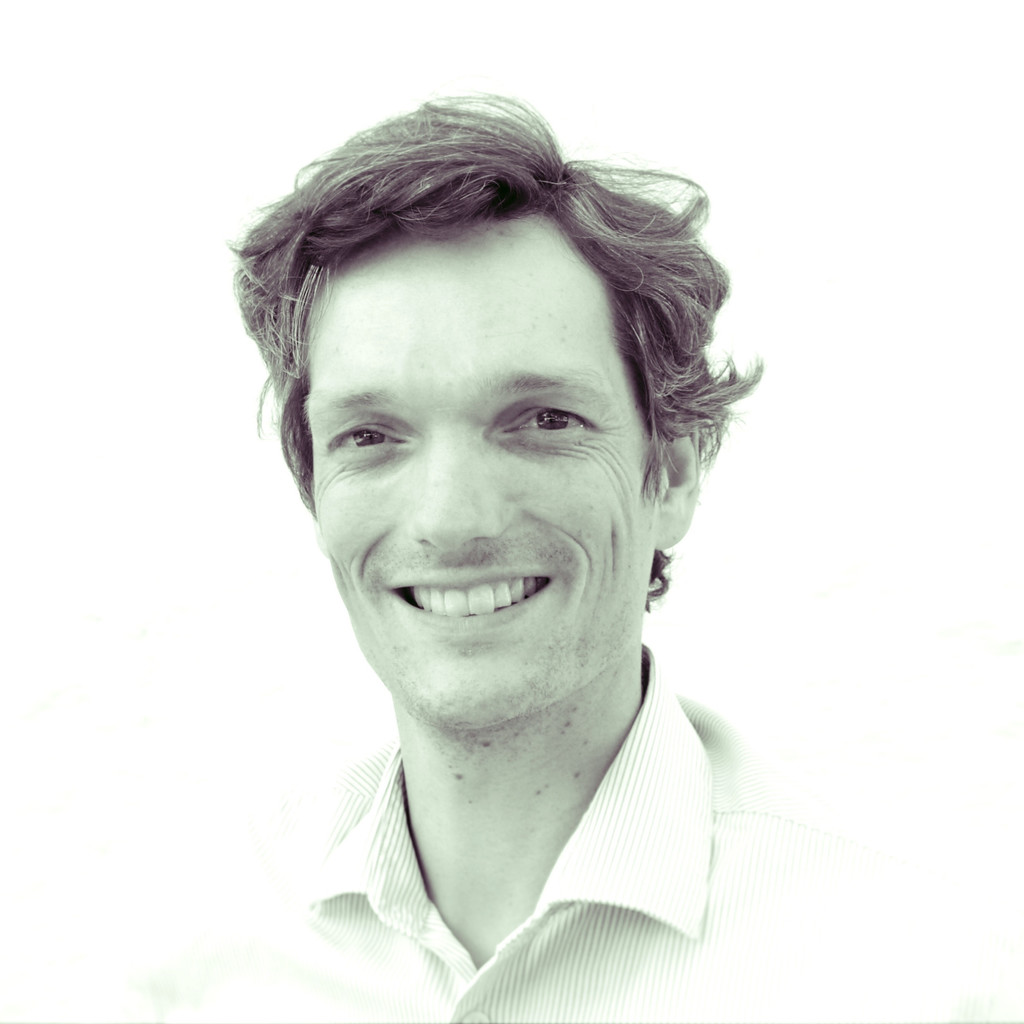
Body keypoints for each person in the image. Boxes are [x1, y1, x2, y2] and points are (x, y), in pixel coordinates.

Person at [135, 95, 1020, 1022]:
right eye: (371, 435)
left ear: (671, 471)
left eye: (543, 420)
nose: (452, 520)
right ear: (315, 487)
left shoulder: (934, 977)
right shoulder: (198, 963)